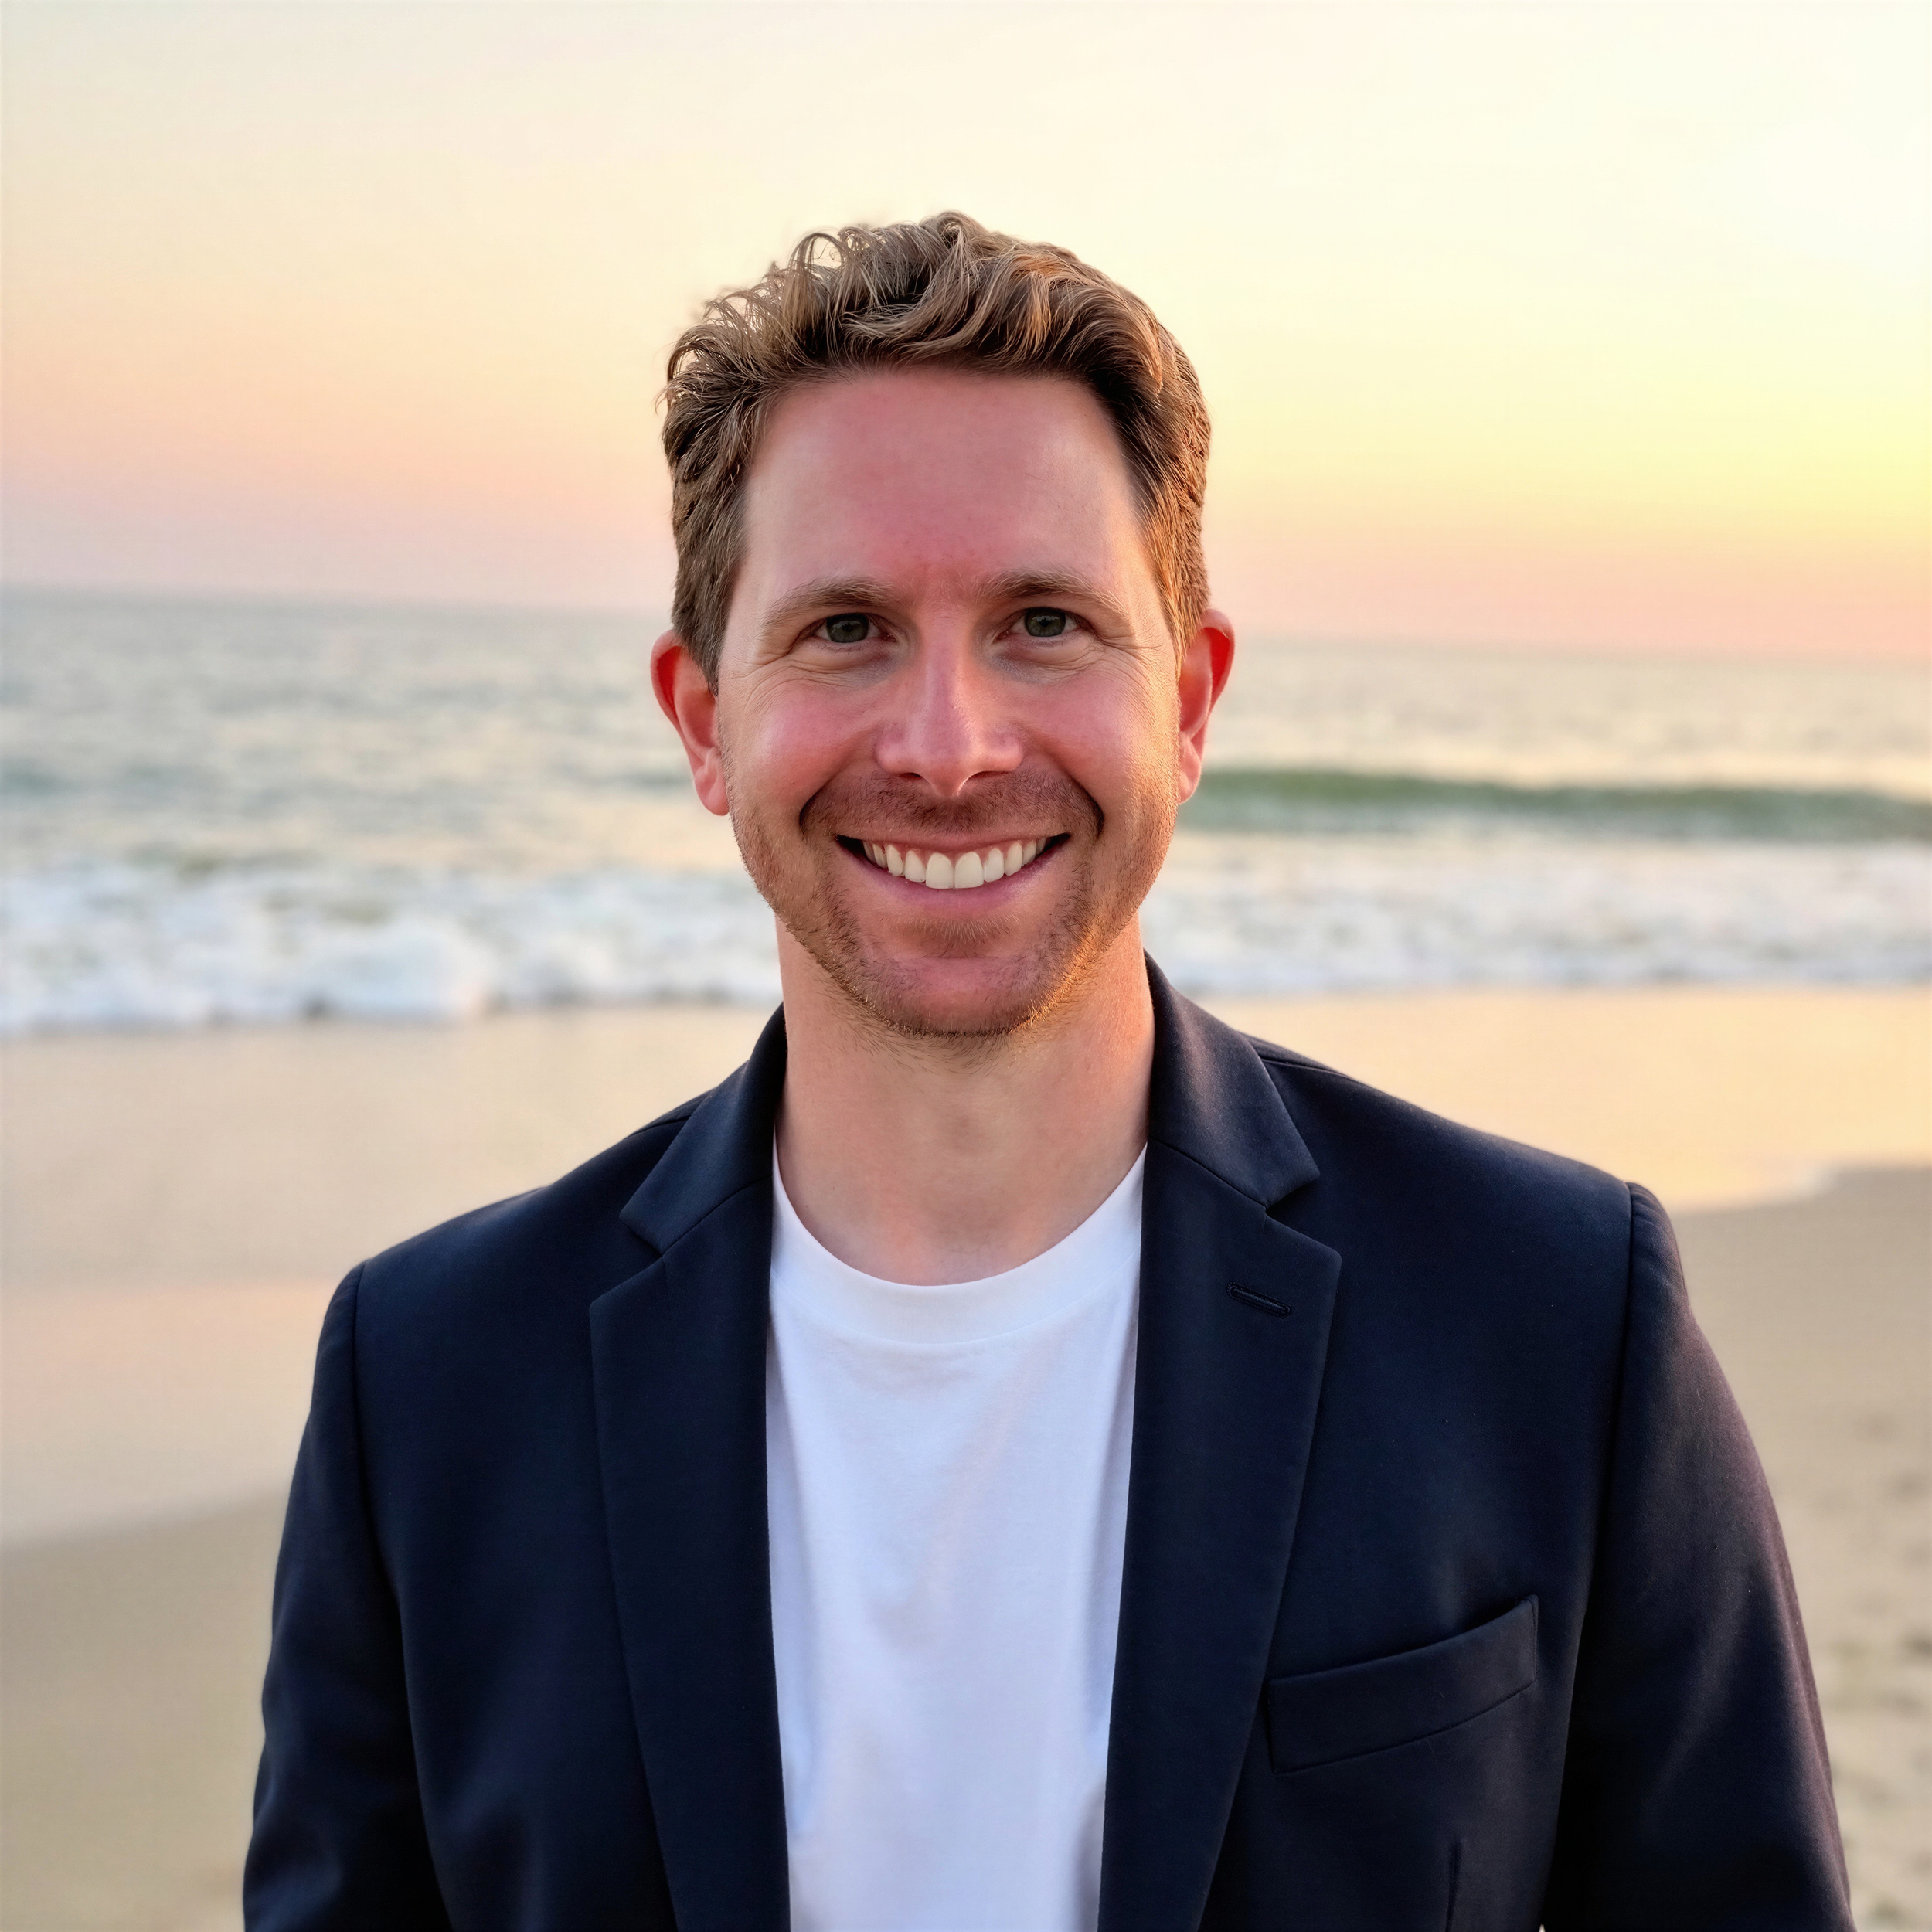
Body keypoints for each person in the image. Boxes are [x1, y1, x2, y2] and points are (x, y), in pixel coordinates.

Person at [247, 213, 1850, 1931]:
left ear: (1191, 700)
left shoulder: (1549, 1314)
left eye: (1042, 622)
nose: (949, 744)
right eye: (846, 627)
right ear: (704, 717)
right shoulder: (427, 1383)